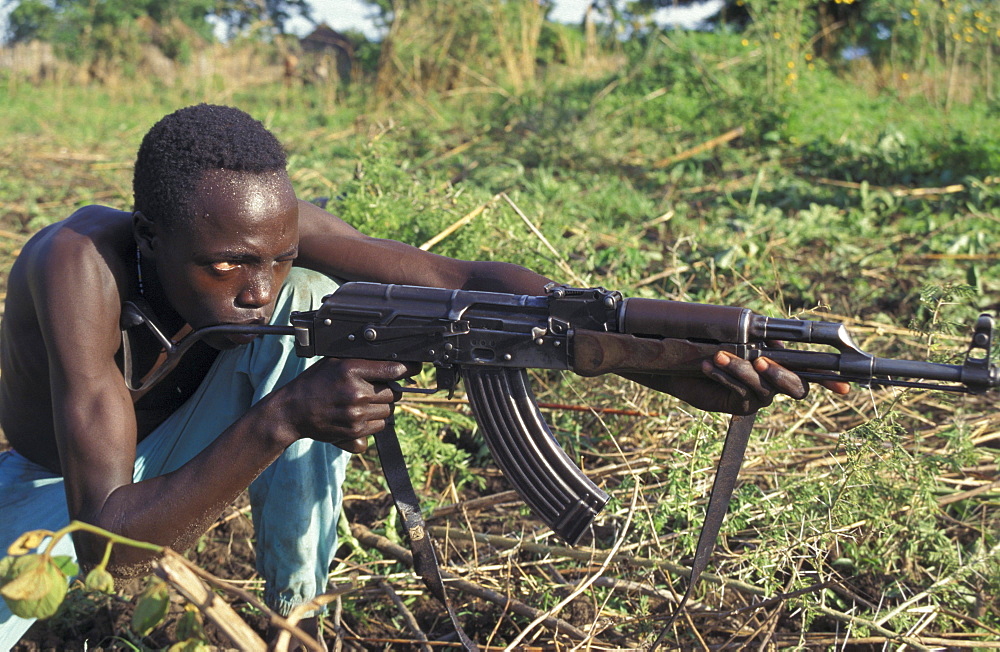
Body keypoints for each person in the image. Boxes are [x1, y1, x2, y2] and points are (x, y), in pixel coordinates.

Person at [0, 104, 843, 649]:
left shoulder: (269, 252)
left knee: (325, 302)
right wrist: (283, 416)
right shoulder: (77, 266)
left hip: (173, 450)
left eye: (274, 255)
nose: (255, 290)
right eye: (225, 265)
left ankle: (297, 621)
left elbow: (466, 281)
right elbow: (105, 541)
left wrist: (667, 358)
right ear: (149, 235)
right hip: (59, 492)